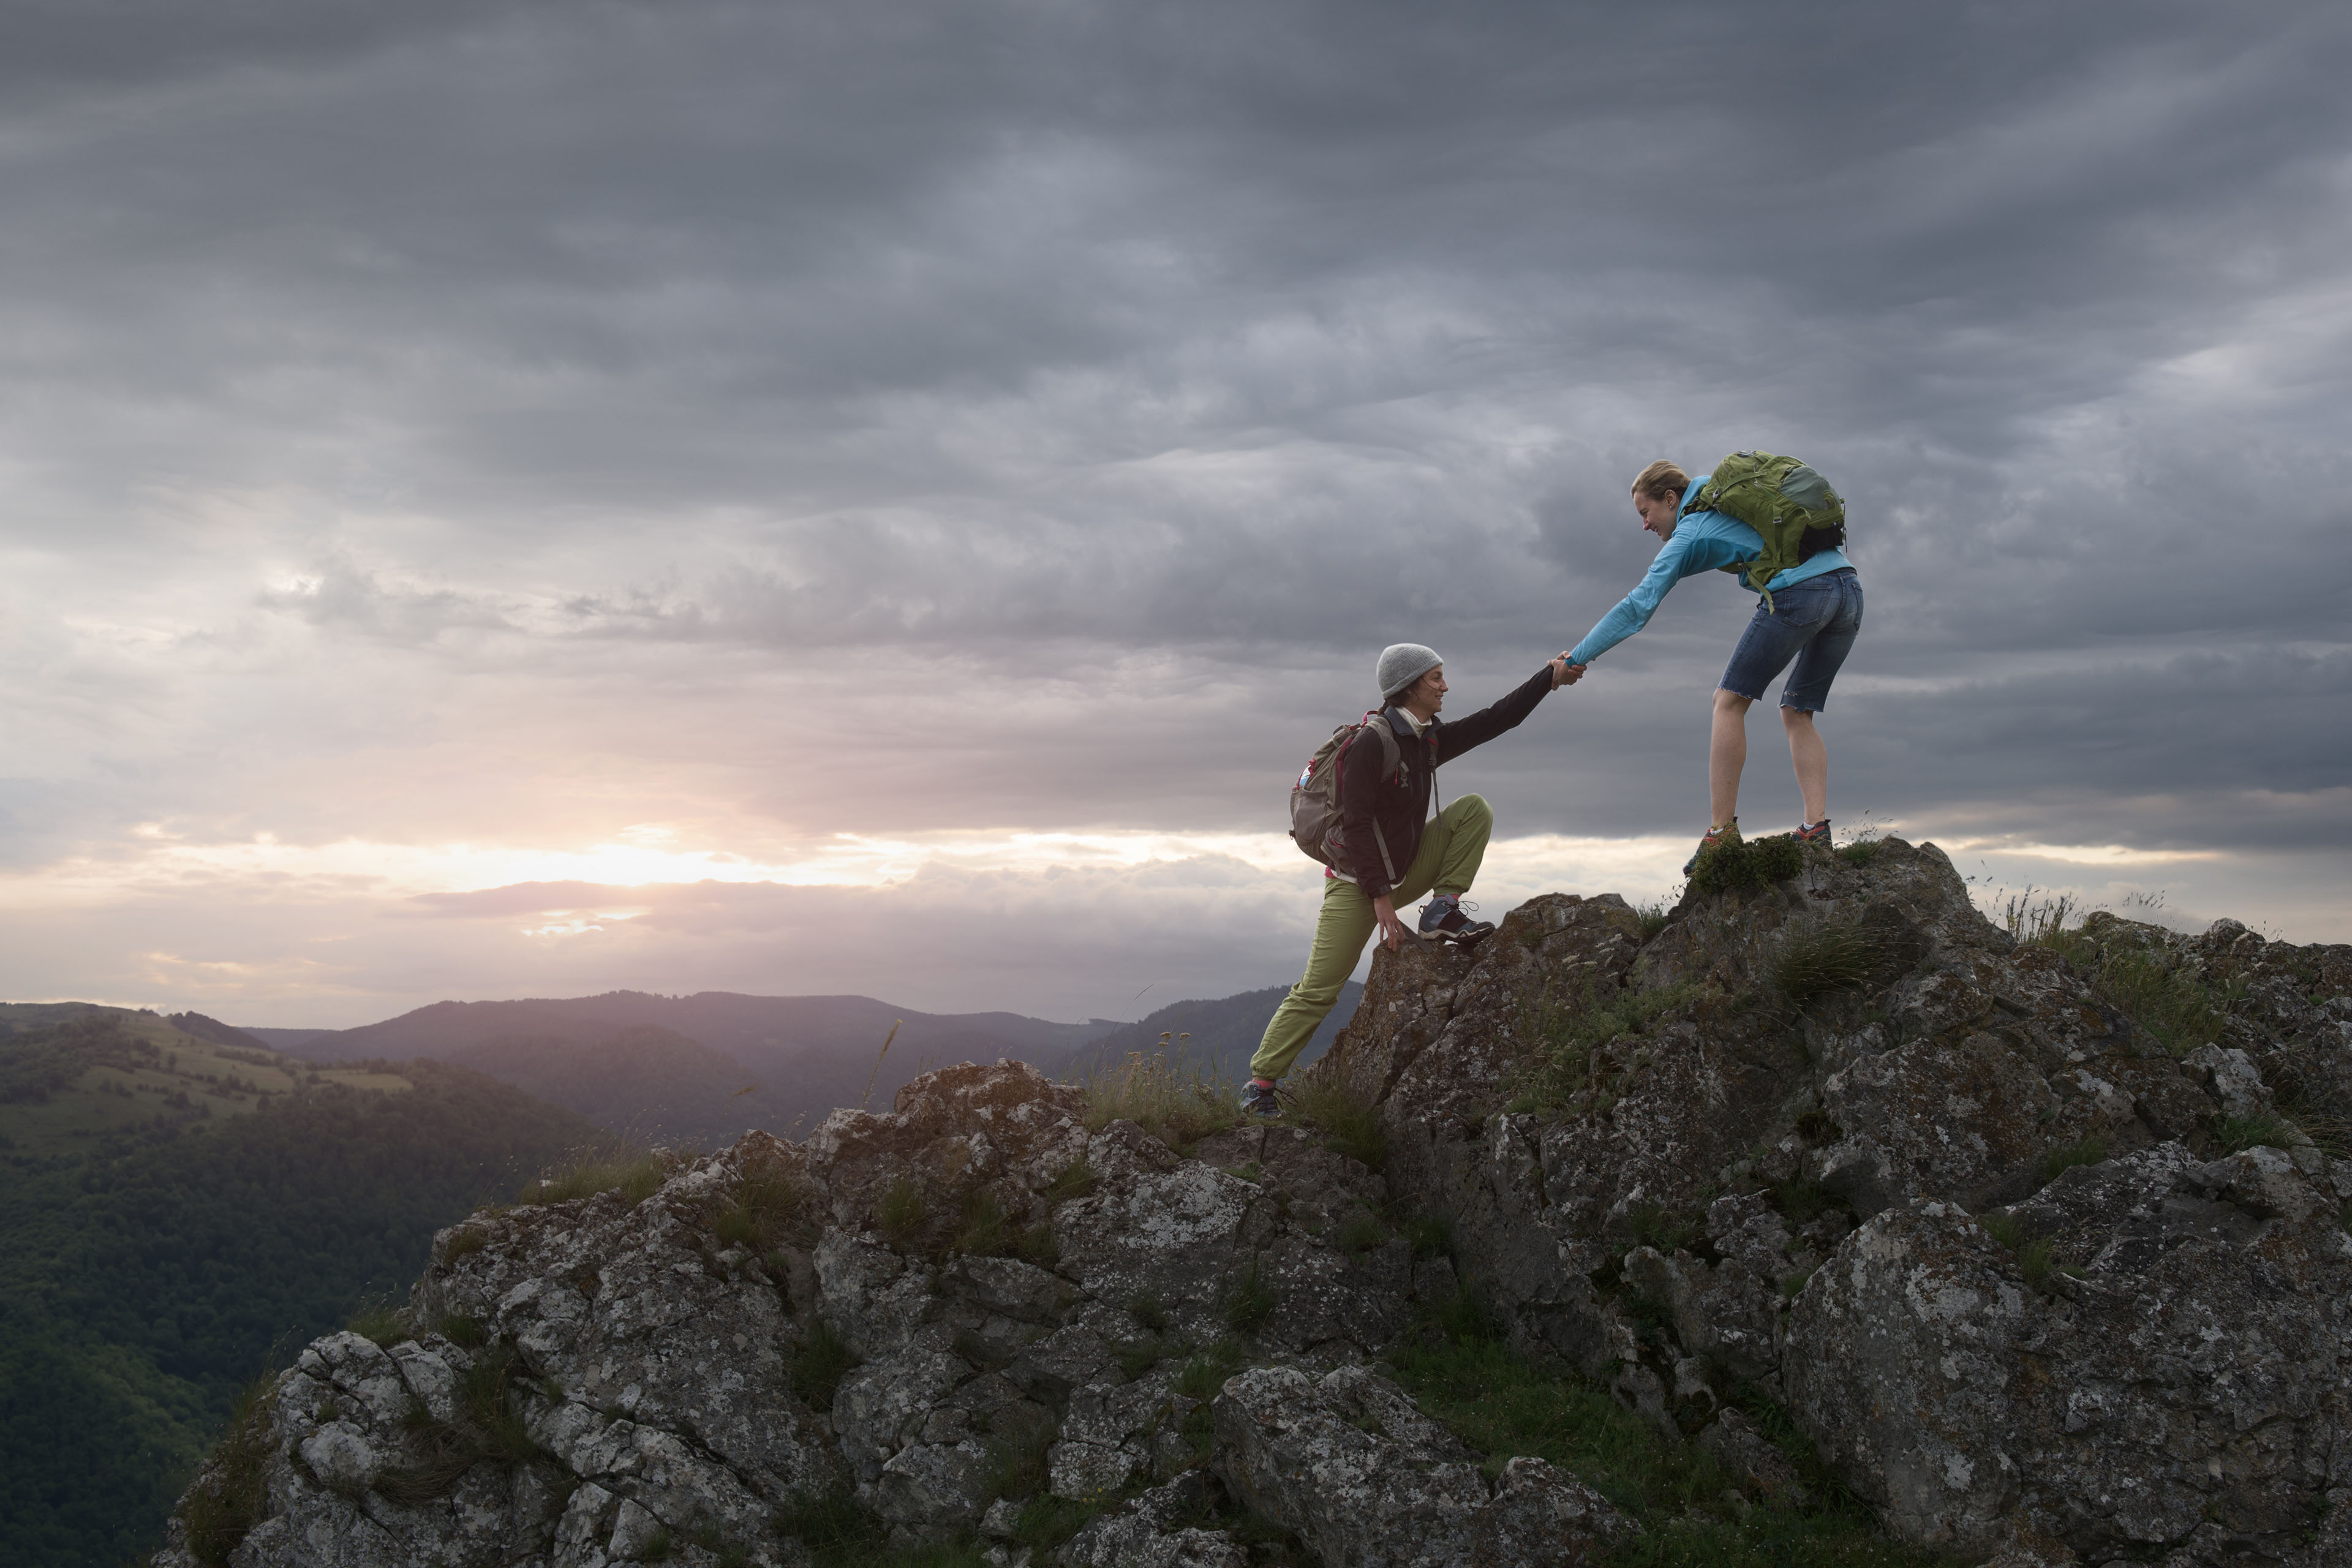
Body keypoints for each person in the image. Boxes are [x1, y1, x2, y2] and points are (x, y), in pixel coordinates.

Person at [1243, 644, 1581, 1117]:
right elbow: (1357, 824)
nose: (1445, 686)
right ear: (1408, 685)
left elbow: (1496, 719)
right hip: (1356, 882)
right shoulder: (1373, 743)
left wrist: (1549, 678)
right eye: (1436, 678)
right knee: (1320, 987)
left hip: (1404, 867)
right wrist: (1381, 899)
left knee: (1473, 810)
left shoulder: (1426, 740)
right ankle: (1260, 1084)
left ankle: (1441, 908)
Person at [1561, 458, 1862, 870]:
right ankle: (1816, 828)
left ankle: (1721, 834)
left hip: (1802, 593)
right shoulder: (1725, 501)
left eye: (1646, 512)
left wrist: (1575, 658)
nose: (1645, 525)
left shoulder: (1691, 530)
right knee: (1797, 709)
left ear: (1671, 499)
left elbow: (1638, 607)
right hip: (1848, 588)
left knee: (1728, 701)